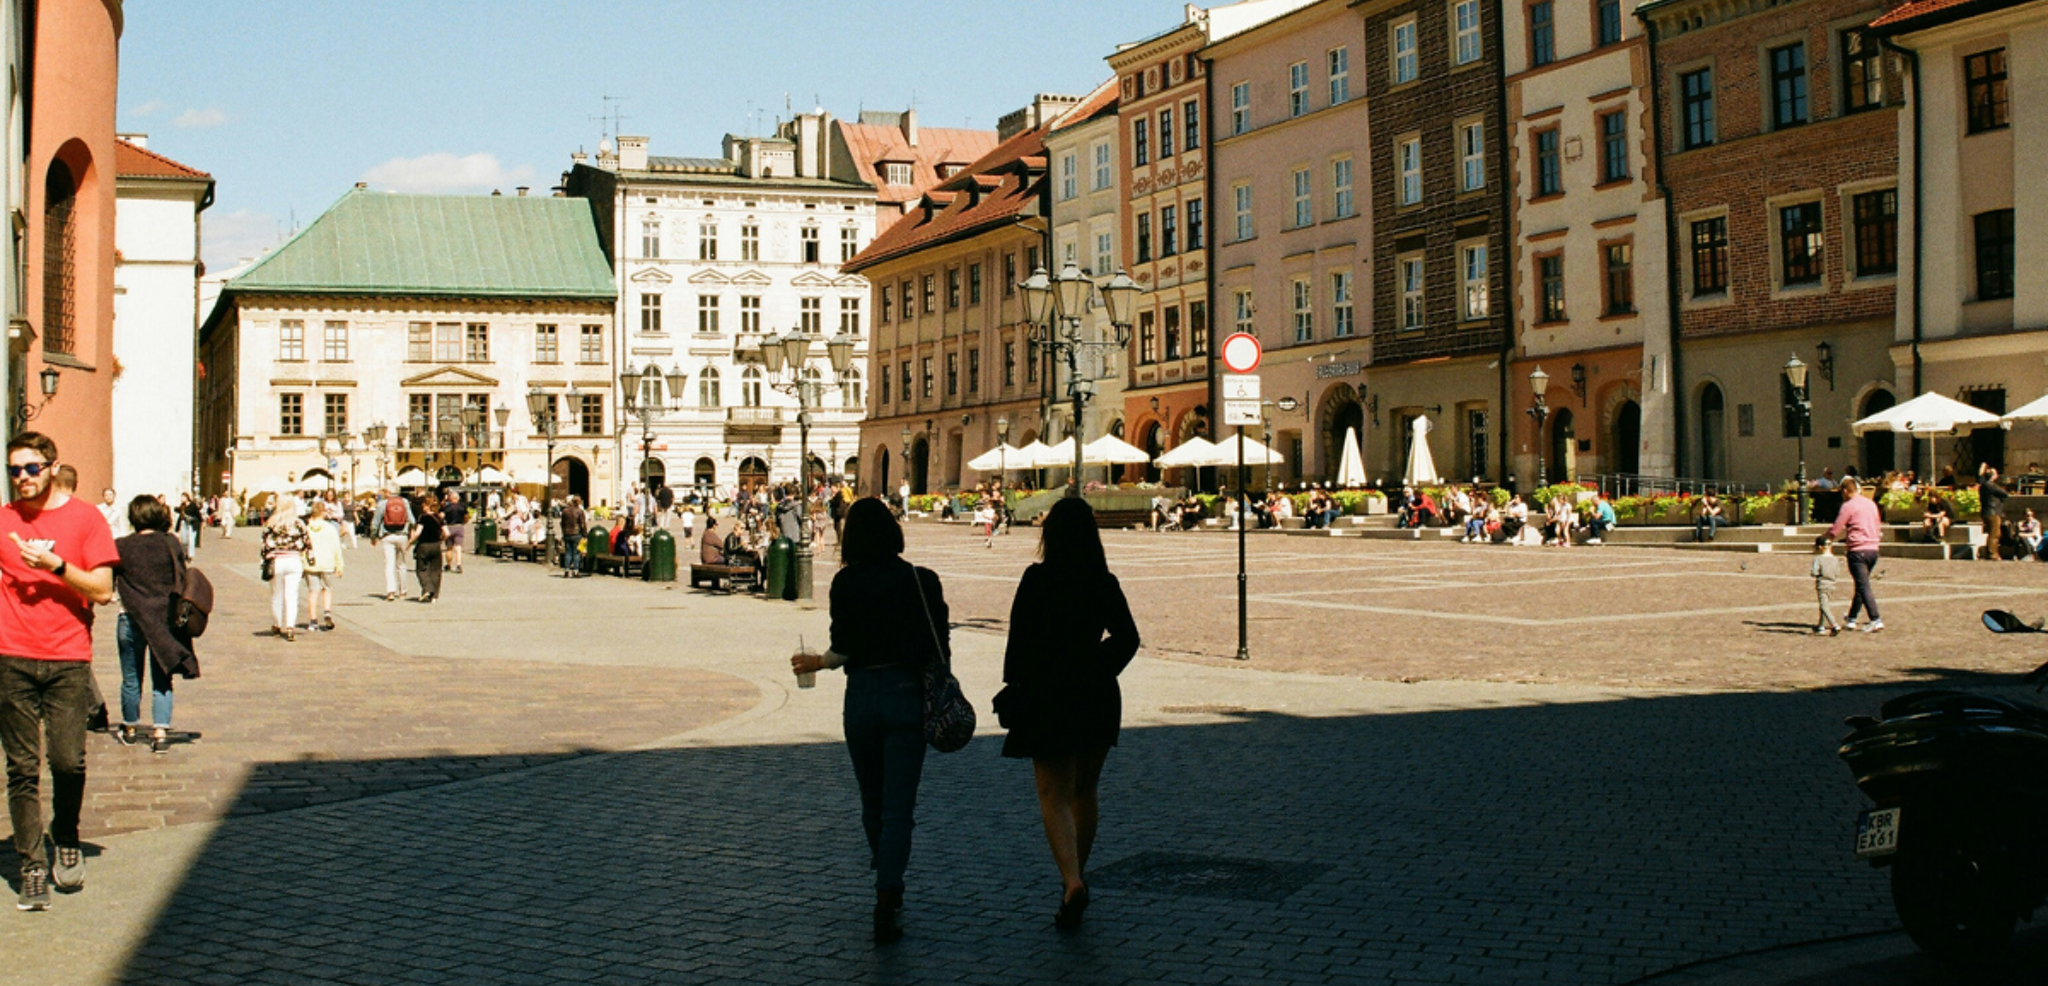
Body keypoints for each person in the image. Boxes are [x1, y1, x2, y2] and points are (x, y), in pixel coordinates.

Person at [789, 498, 949, 944]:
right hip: (905, 695)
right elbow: (939, 648)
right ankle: (888, 893)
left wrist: (817, 662)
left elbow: (845, 649)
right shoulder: (921, 581)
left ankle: (885, 875)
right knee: (900, 807)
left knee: (872, 802)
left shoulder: (846, 583)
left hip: (860, 698)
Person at [995, 498, 1141, 931]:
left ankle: (1072, 879)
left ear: (1050, 535)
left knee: (1052, 794)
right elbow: (1128, 638)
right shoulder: (1103, 580)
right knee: (1085, 791)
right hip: (1097, 696)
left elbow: (1018, 640)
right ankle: (1075, 877)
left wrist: (1018, 682)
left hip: (1047, 694)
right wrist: (1096, 666)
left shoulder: (1037, 579)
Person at [0, 432, 118, 910]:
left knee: (68, 761)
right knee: (22, 768)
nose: (22, 478)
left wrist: (55, 566)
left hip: (69, 659)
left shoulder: (85, 518)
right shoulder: (4, 520)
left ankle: (65, 833)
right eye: (14, 470)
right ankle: (31, 864)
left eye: (31, 468)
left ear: (52, 467)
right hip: (12, 657)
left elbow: (103, 591)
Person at [113, 496, 197, 753]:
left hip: (130, 617)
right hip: (163, 619)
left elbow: (111, 582)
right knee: (162, 676)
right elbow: (181, 575)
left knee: (131, 677)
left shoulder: (121, 546)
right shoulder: (170, 542)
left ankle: (129, 728)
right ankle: (160, 731)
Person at [1828, 477, 1884, 632]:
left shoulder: (1848, 506)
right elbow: (1877, 523)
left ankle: (1875, 618)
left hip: (1858, 550)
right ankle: (1852, 618)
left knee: (1863, 585)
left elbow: (1837, 527)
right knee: (1862, 584)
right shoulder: (1870, 504)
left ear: (1845, 491)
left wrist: (1826, 538)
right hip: (1873, 548)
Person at [262, 496, 311, 640]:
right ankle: (290, 627)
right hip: (294, 560)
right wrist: (310, 559)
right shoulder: (298, 523)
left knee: (276, 594)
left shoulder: (271, 523)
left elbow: (264, 545)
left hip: (276, 560)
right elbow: (307, 542)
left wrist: (264, 560)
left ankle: (277, 624)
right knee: (292, 595)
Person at [303, 500, 346, 631]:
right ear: (323, 512)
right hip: (327, 563)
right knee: (326, 588)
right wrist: (339, 565)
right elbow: (336, 548)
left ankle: (313, 621)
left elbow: (302, 547)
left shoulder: (306, 528)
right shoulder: (330, 528)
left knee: (313, 591)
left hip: (310, 563)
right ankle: (327, 611)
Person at [376, 487, 413, 602]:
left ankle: (391, 591)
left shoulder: (383, 503)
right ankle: (403, 591)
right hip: (402, 535)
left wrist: (373, 536)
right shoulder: (405, 502)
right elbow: (412, 520)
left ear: (388, 493)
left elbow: (375, 521)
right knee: (401, 564)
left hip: (388, 536)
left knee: (389, 564)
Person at [410, 491, 446, 603]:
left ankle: (427, 589)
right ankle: (434, 595)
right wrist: (441, 539)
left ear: (426, 505)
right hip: (436, 545)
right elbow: (447, 532)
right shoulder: (439, 517)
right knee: (436, 570)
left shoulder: (423, 517)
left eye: (423, 505)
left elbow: (417, 533)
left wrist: (409, 543)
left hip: (424, 545)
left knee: (421, 569)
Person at [1812, 536, 1846, 636]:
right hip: (1832, 584)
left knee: (1824, 606)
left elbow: (1814, 572)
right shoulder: (1835, 559)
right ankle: (1821, 626)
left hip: (1822, 584)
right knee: (1824, 605)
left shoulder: (1818, 559)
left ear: (1820, 547)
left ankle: (1834, 624)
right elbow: (1837, 572)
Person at [1978, 464, 2009, 561]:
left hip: (1986, 511)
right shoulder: (1991, 485)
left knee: (1992, 532)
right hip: (1992, 512)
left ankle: (1990, 551)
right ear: (1992, 476)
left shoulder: (1983, 485)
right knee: (1994, 533)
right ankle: (1992, 553)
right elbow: (2004, 494)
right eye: (1995, 474)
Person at [559, 495, 587, 578]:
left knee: (568, 552)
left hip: (567, 534)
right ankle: (576, 570)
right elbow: (582, 523)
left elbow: (562, 523)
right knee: (576, 553)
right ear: (578, 502)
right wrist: (585, 534)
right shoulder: (579, 511)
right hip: (576, 534)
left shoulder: (565, 511)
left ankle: (567, 570)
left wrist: (563, 532)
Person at [441, 493, 469, 574]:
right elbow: (466, 516)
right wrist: (463, 523)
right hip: (459, 526)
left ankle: (449, 564)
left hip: (449, 527)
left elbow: (441, 517)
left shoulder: (446, 508)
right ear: (458, 498)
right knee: (458, 547)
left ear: (450, 498)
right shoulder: (462, 507)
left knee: (449, 547)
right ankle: (458, 564)